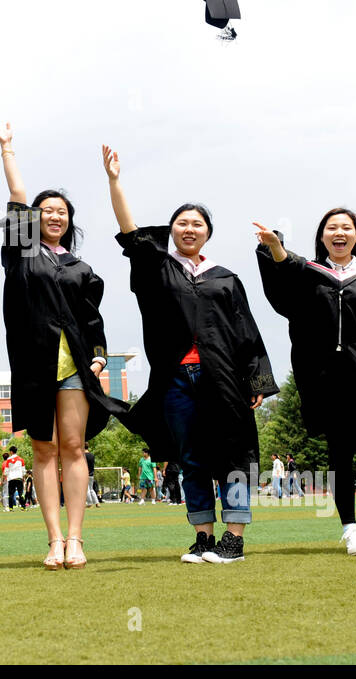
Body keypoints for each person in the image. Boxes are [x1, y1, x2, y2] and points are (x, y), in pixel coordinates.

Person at [105, 151, 278, 562]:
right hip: (177, 380)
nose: (188, 228)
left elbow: (246, 330)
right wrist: (115, 182)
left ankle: (233, 538)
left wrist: (255, 379)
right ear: (172, 231)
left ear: (207, 233)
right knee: (191, 459)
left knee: (234, 454)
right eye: (181, 223)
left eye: (196, 223)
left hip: (224, 379)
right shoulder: (159, 269)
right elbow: (131, 234)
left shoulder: (225, 278)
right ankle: (203, 536)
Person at [0, 119, 129, 569]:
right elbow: (17, 203)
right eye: (46, 210)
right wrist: (9, 152)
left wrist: (102, 358)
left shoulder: (82, 268)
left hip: (75, 369)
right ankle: (52, 540)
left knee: (74, 446)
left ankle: (76, 538)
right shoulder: (22, 253)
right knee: (43, 449)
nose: (53, 215)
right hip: (34, 364)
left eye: (61, 211)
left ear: (69, 221)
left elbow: (94, 320)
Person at [254, 210, 356, 556]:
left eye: (347, 228)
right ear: (323, 236)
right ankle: (350, 530)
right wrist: (275, 247)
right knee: (340, 456)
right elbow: (284, 282)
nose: (340, 233)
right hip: (327, 379)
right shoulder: (310, 274)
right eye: (333, 228)